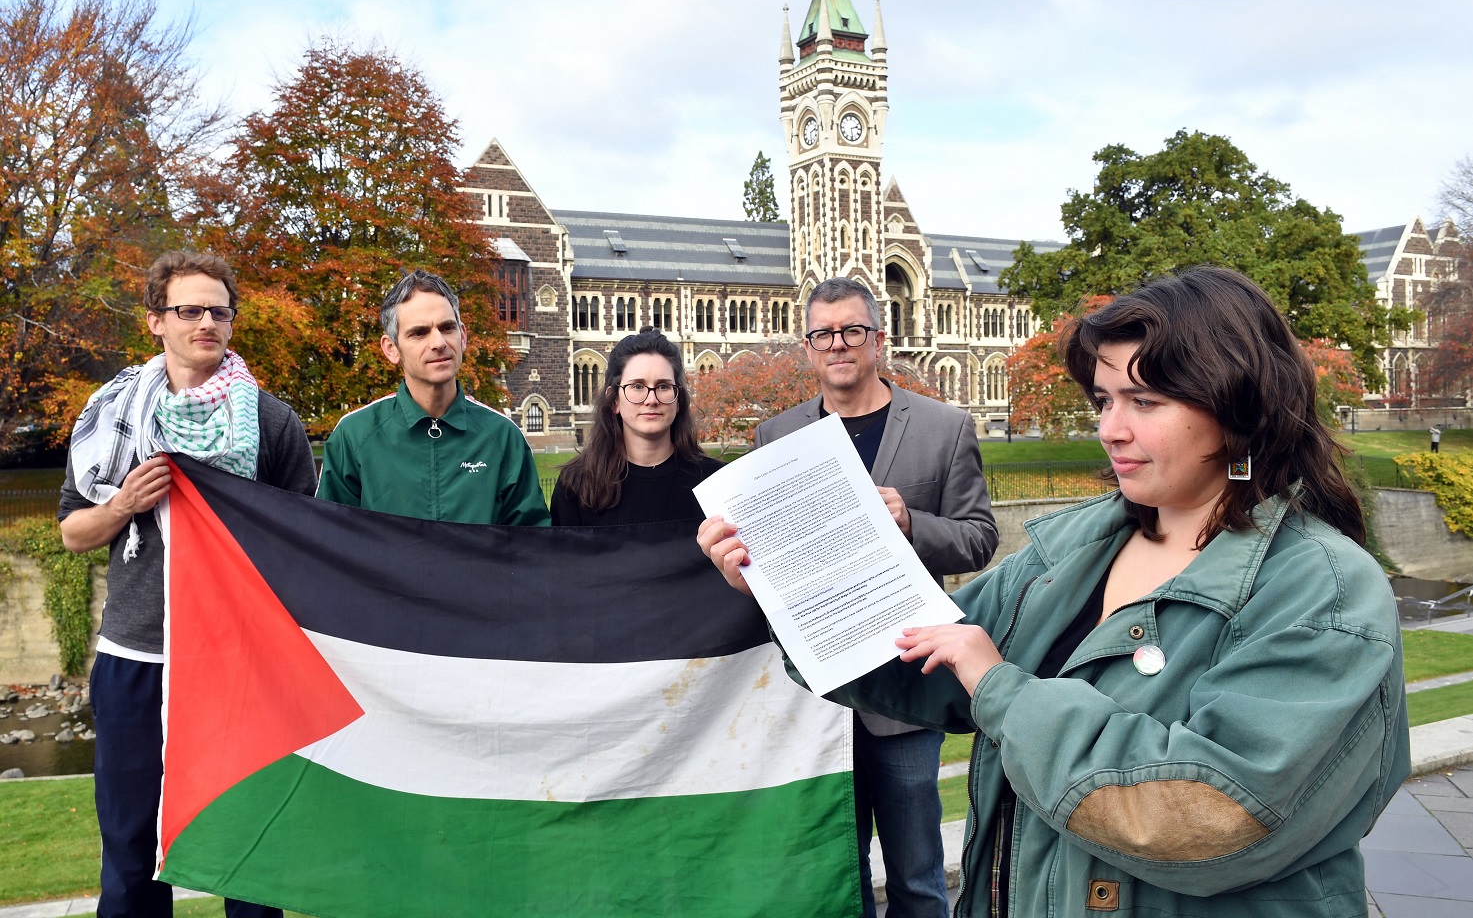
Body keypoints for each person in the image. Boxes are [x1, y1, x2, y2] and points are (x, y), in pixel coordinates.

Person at [711, 267, 1411, 917]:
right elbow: (918, 651)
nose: (1109, 428)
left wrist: (1000, 686)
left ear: (1237, 406)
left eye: (1145, 400)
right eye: (1104, 399)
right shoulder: (1076, 547)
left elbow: (1206, 812)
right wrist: (789, 584)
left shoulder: (1321, 589)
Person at [699, 276, 998, 918]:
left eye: (852, 331)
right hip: (815, 700)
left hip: (907, 691)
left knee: (919, 879)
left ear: (878, 339)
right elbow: (773, 571)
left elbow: (978, 541)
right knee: (840, 876)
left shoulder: (944, 427)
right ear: (807, 348)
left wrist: (913, 523)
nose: (838, 344)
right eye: (823, 334)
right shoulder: (775, 438)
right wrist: (739, 571)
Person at [58, 251, 317, 918]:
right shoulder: (113, 417)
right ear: (155, 321)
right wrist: (122, 506)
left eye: (219, 310)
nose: (207, 321)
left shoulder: (271, 421)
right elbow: (71, 533)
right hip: (137, 659)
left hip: (241, 664)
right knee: (130, 848)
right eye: (189, 310)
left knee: (251, 851)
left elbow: (306, 544)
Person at [316, 270, 549, 526]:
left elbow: (532, 547)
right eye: (419, 333)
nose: (438, 342)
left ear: (463, 336)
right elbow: (329, 541)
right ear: (391, 348)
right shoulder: (354, 436)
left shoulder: (502, 437)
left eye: (447, 328)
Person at [551, 327, 722, 525]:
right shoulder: (576, 485)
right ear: (614, 400)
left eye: (663, 386)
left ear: (678, 401)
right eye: (637, 386)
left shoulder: (716, 483)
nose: (651, 399)